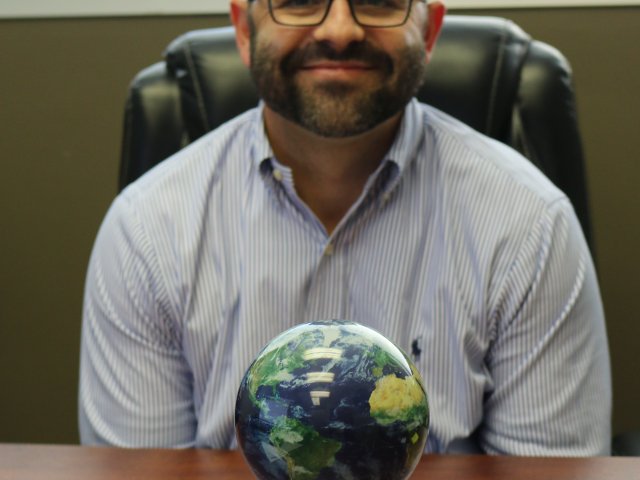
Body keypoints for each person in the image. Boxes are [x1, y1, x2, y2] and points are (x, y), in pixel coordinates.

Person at [79, 0, 612, 455]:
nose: (339, 30)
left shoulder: (529, 225)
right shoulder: (146, 231)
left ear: (428, 31)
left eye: (380, 0)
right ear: (244, 29)